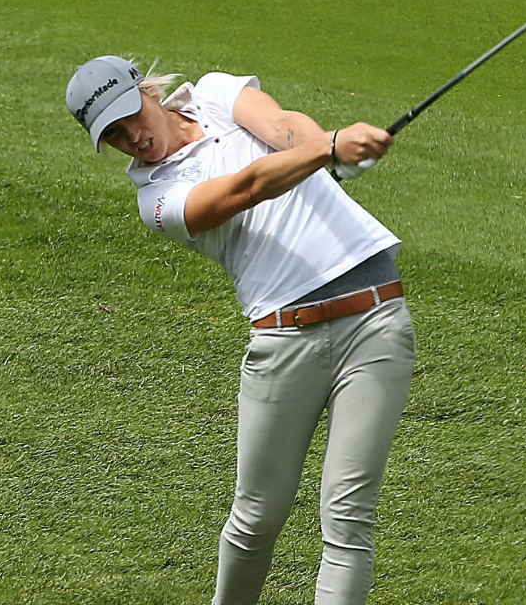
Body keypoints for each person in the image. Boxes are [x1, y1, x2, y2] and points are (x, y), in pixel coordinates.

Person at [65, 56, 416, 605]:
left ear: (147, 91)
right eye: (112, 135)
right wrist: (327, 149)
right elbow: (246, 188)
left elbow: (283, 128)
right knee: (257, 517)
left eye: (130, 116)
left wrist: (334, 150)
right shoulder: (156, 201)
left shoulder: (214, 94)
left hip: (376, 322)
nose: (132, 137)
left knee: (348, 513)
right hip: (284, 342)